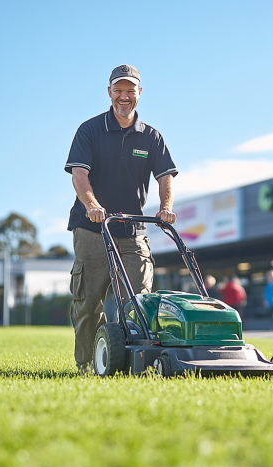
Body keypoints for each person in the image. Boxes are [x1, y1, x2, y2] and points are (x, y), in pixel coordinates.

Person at [65, 64, 178, 373]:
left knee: (138, 302)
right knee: (88, 302)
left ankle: (132, 361)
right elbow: (79, 173)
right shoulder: (90, 130)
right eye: (119, 90)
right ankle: (89, 363)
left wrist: (165, 207)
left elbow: (166, 176)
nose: (124, 96)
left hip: (132, 228)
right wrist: (92, 204)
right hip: (92, 227)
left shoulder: (151, 137)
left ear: (139, 93)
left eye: (130, 90)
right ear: (109, 92)